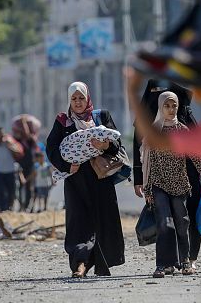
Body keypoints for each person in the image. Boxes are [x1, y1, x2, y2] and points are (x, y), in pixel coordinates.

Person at [126, 0, 201, 302]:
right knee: (172, 221)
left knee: (184, 220)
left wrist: (132, 86)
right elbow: (153, 144)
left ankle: (184, 259)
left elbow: (160, 142)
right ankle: (169, 262)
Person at [46, 81, 125, 277]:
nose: (78, 102)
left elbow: (117, 145)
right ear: (69, 100)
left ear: (88, 98)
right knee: (78, 221)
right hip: (76, 180)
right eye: (74, 98)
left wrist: (104, 146)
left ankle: (100, 263)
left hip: (100, 179)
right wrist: (67, 166)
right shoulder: (63, 121)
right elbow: (51, 149)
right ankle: (79, 264)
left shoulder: (100, 117)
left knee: (102, 220)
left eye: (81, 98)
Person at [139, 91, 201, 278]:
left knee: (182, 223)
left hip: (180, 184)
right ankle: (163, 265)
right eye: (167, 105)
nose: (171, 109)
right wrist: (148, 189)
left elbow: (198, 159)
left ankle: (185, 262)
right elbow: (148, 164)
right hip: (158, 185)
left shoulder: (183, 130)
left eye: (174, 105)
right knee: (164, 223)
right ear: (160, 107)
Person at [0, 127, 22, 211]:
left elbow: (18, 154)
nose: (1, 136)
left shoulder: (9, 142)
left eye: (2, 134)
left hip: (10, 172)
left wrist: (9, 146)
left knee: (11, 192)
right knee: (1, 192)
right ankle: (3, 210)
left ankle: (10, 208)